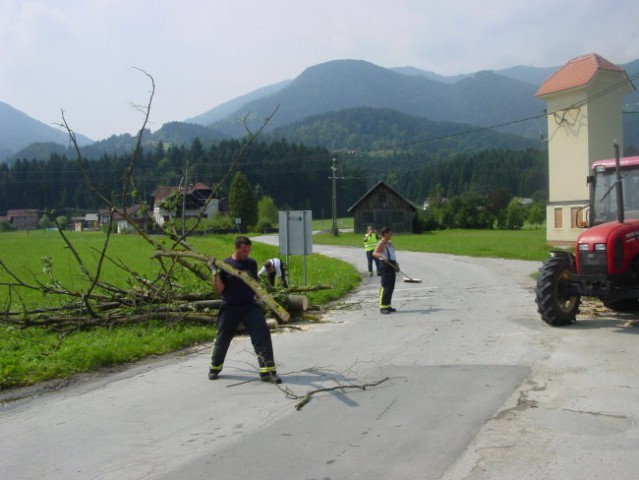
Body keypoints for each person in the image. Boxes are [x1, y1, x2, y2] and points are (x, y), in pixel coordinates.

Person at [208, 236, 282, 383]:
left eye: (248, 251)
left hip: (249, 306)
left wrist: (260, 299)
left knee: (262, 335)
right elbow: (220, 289)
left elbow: (253, 284)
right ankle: (214, 367)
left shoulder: (252, 264)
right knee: (222, 338)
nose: (246, 253)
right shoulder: (225, 264)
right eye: (243, 251)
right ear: (236, 248)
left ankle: (268, 372)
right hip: (230, 306)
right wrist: (214, 272)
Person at [372, 226, 397, 314]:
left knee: (391, 286)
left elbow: (393, 254)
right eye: (390, 233)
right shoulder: (381, 243)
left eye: (391, 233)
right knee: (385, 286)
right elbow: (374, 253)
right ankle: (383, 307)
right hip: (385, 265)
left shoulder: (389, 243)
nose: (391, 235)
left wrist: (397, 265)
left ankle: (388, 305)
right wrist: (382, 256)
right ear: (385, 234)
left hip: (392, 265)